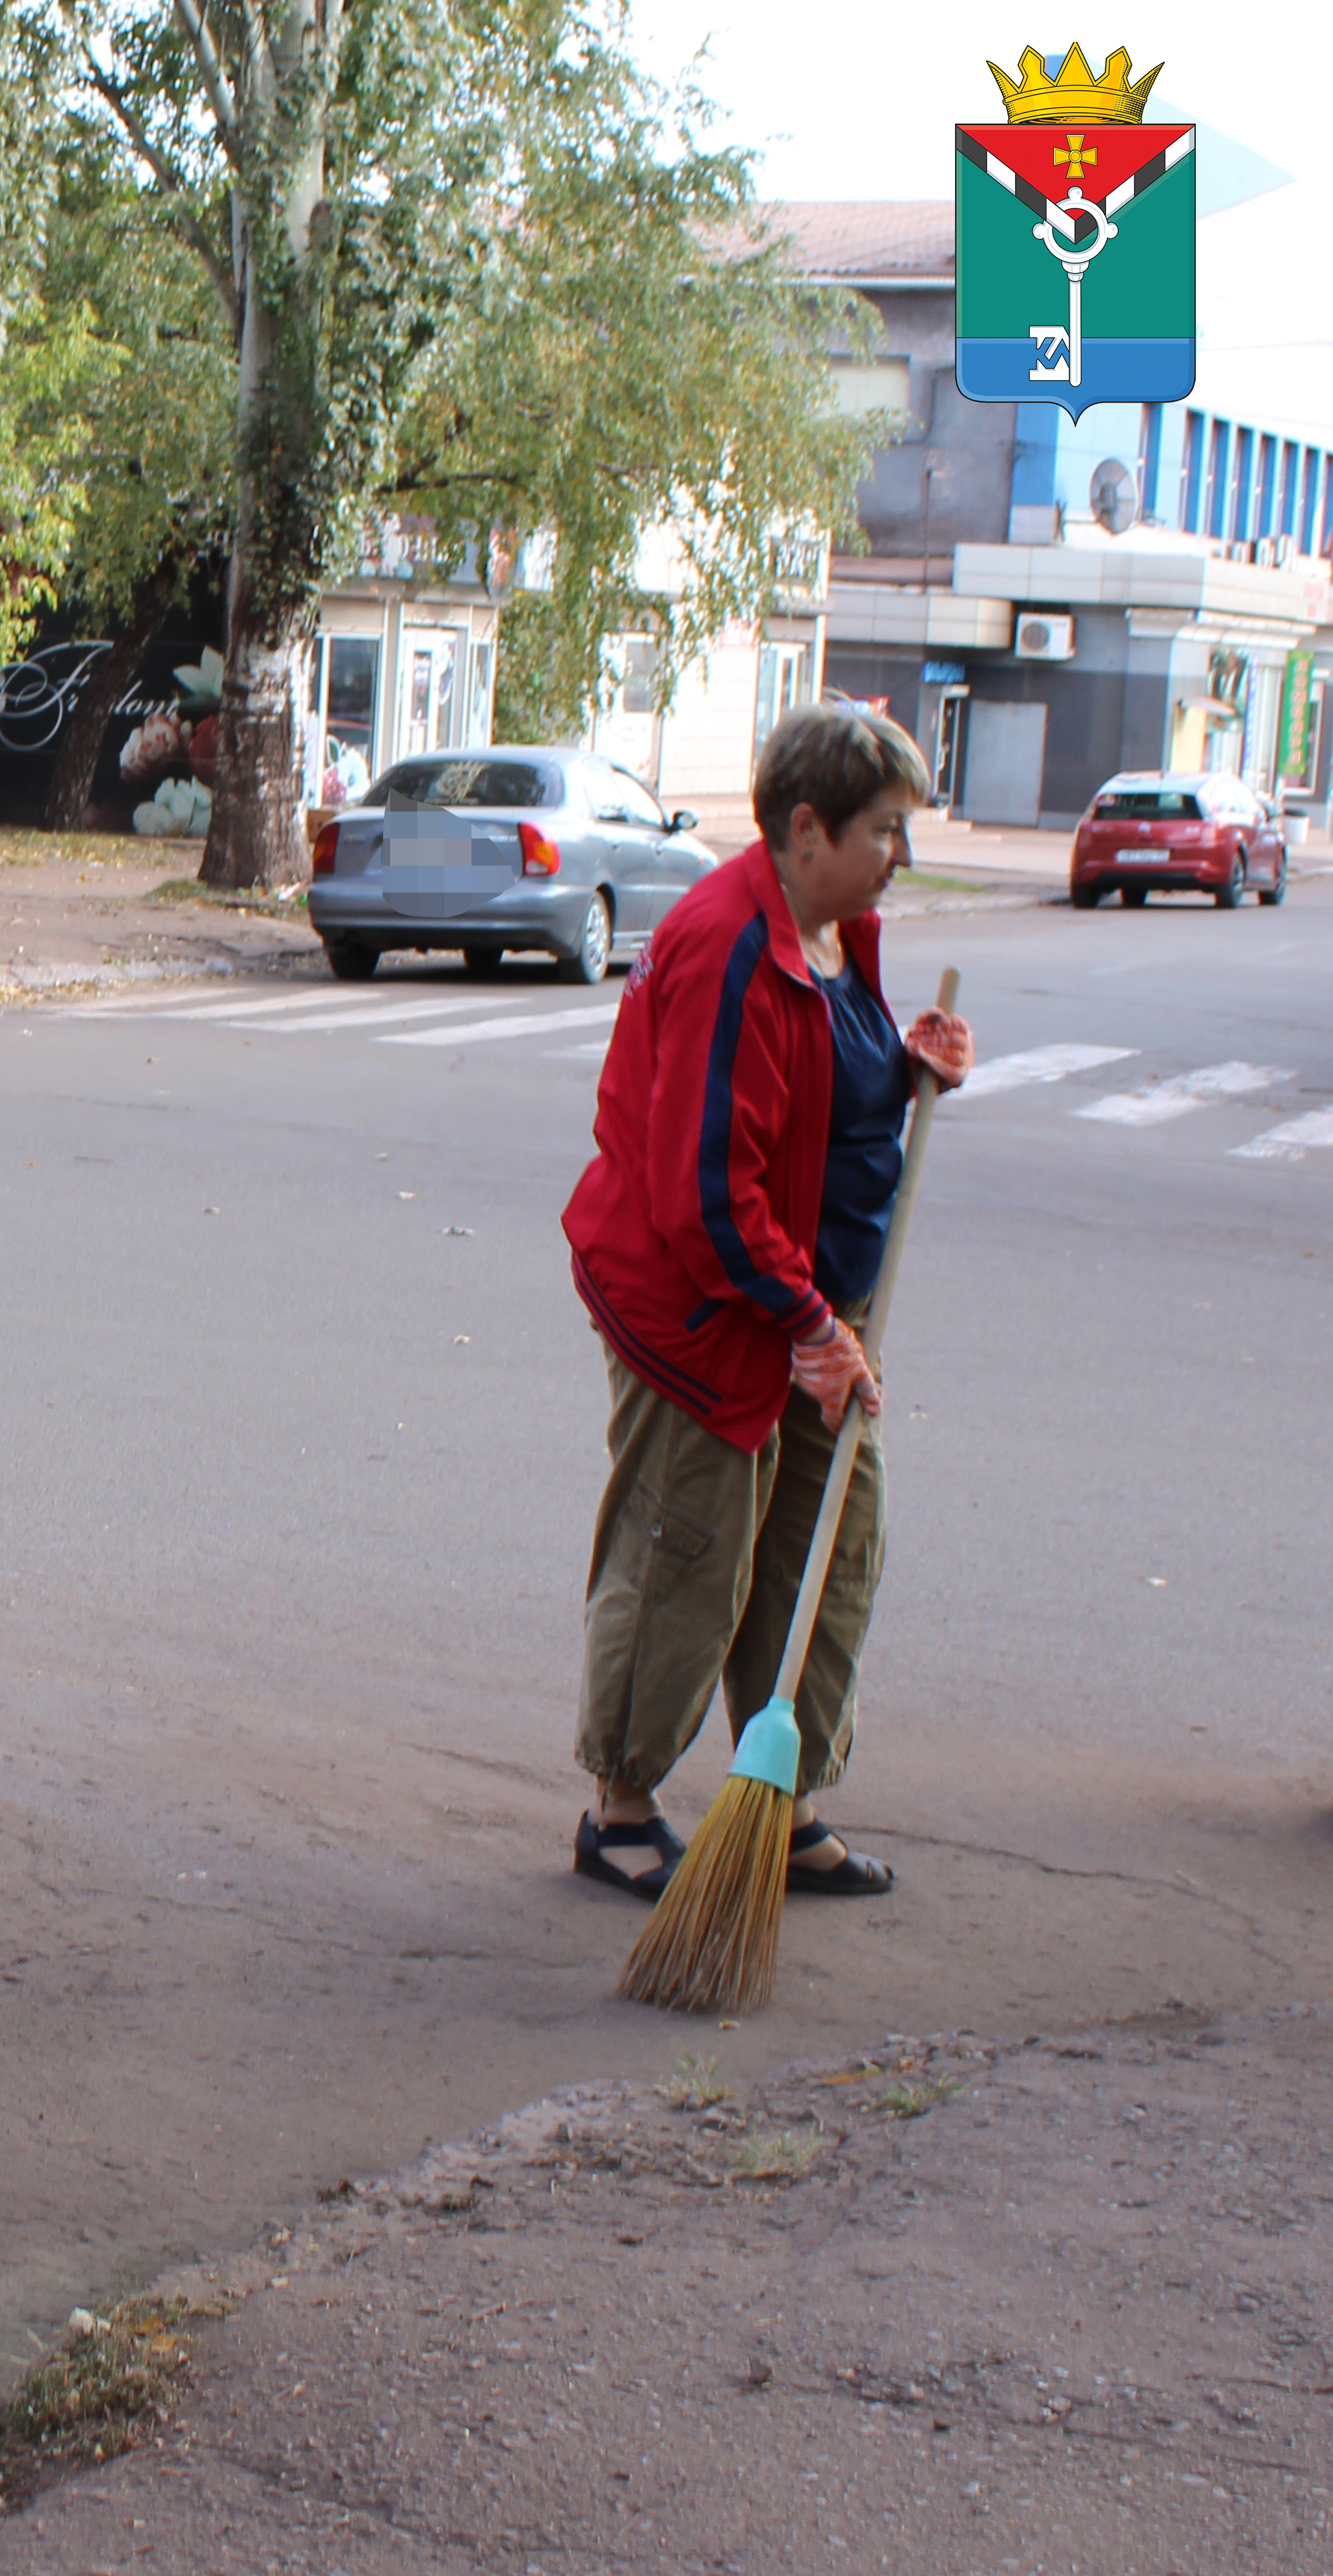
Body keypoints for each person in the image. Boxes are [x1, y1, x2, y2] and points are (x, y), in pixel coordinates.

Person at [560, 703, 972, 1904]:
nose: (901, 855)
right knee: (690, 1553)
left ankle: (773, 1800)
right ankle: (621, 1809)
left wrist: (908, 1069)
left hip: (809, 1308)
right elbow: (704, 1194)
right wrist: (809, 1330)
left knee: (828, 1549)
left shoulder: (840, 933)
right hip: (705, 1312)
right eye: (886, 831)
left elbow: (821, 1101)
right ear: (808, 827)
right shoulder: (727, 948)